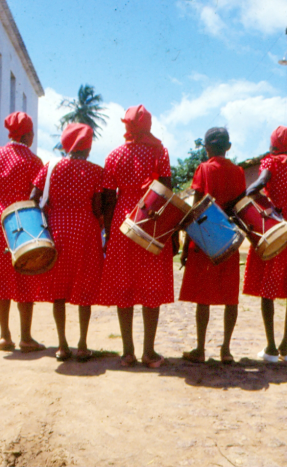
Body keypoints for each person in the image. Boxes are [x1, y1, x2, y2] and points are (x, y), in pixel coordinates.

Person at [99, 105, 173, 368]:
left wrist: (108, 230)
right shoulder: (159, 152)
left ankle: (127, 351)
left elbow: (108, 197)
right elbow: (166, 190)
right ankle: (149, 352)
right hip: (150, 218)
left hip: (123, 222)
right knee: (151, 285)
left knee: (124, 285)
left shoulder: (114, 155)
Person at [30, 123, 104, 361]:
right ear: (88, 146)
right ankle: (82, 344)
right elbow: (97, 206)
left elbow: (34, 197)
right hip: (85, 232)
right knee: (84, 288)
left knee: (58, 290)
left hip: (57, 230)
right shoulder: (95, 171)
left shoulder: (50, 167)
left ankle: (62, 345)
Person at [243, 126, 287, 362]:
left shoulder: (270, 164)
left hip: (275, 227)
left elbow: (255, 188)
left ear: (273, 143)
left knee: (268, 287)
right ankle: (285, 345)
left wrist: (260, 201)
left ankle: (271, 346)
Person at [179, 127, 245, 364]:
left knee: (202, 297)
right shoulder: (238, 172)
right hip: (228, 237)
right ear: (228, 147)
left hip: (205, 237)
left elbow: (195, 209)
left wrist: (187, 246)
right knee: (231, 297)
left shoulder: (204, 169)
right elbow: (240, 206)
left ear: (206, 148)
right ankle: (226, 350)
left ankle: (200, 348)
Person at [0, 111, 45, 353]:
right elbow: (34, 194)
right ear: (28, 134)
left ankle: (4, 336)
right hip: (22, 218)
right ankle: (26, 337)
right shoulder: (32, 160)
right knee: (24, 273)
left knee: (0, 274)